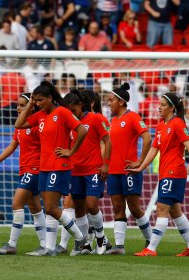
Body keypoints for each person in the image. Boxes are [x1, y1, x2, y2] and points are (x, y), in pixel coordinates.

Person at [15, 81, 87, 256]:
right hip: (44, 166)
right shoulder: (40, 115)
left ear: (51, 98)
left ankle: (79, 237)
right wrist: (30, 104)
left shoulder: (62, 112)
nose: (38, 103)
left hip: (59, 166)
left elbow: (82, 130)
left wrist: (70, 151)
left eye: (40, 100)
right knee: (49, 209)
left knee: (51, 207)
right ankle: (49, 248)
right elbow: (19, 124)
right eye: (36, 100)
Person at [127, 93, 189, 257]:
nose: (158, 107)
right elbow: (154, 149)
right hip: (165, 172)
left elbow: (188, 144)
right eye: (159, 104)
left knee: (161, 208)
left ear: (172, 108)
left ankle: (151, 249)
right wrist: (140, 166)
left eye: (162, 105)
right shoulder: (161, 125)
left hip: (174, 172)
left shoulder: (177, 123)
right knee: (175, 211)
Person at [0, 93, 46, 255]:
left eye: (21, 105)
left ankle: (12, 244)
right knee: (34, 207)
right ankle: (45, 244)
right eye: (17, 105)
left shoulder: (37, 125)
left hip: (34, 169)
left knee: (16, 203)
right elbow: (12, 146)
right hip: (24, 169)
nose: (17, 108)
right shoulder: (20, 126)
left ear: (31, 107)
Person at [105, 82, 153, 255]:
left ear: (121, 102)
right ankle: (119, 247)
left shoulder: (132, 117)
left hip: (129, 170)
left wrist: (140, 161)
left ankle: (150, 241)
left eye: (111, 100)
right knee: (117, 207)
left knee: (133, 208)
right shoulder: (114, 121)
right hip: (113, 171)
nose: (108, 103)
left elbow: (147, 138)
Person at [62, 90, 111, 255]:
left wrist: (105, 164)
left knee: (92, 205)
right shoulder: (68, 122)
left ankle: (101, 237)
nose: (71, 113)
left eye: (73, 110)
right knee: (79, 209)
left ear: (80, 105)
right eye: (68, 111)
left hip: (93, 170)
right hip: (75, 171)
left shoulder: (95, 118)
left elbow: (107, 140)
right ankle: (83, 243)